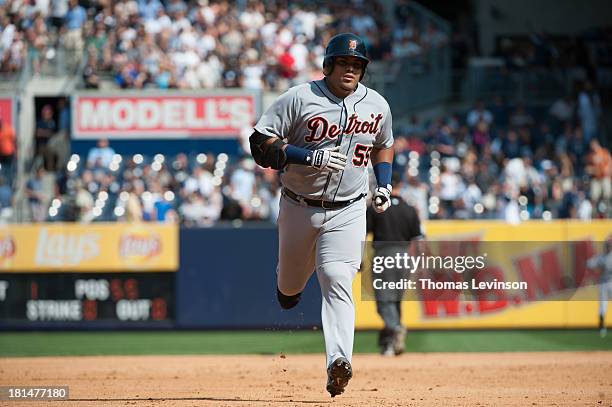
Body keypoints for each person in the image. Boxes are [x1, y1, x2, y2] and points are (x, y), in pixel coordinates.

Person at [250, 33, 394, 397]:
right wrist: (306, 156)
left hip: (349, 209)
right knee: (289, 289)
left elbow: (384, 144)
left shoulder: (376, 104)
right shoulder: (300, 97)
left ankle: (338, 361)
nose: (351, 69)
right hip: (300, 206)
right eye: (344, 63)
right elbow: (260, 143)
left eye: (357, 64)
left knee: (336, 276)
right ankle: (288, 289)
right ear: (328, 65)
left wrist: (385, 184)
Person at [367, 174, 423, 356]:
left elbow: (362, 233)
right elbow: (419, 239)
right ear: (400, 185)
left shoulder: (377, 206)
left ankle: (395, 328)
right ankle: (390, 344)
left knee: (384, 301)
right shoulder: (409, 208)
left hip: (384, 255)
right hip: (404, 256)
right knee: (396, 300)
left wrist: (358, 259)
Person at [587, 238, 612, 337]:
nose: (608, 247)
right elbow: (589, 264)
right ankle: (602, 328)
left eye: (609, 246)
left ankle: (602, 328)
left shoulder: (604, 257)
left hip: (609, 283)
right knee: (602, 306)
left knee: (603, 306)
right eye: (607, 246)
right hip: (603, 284)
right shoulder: (601, 257)